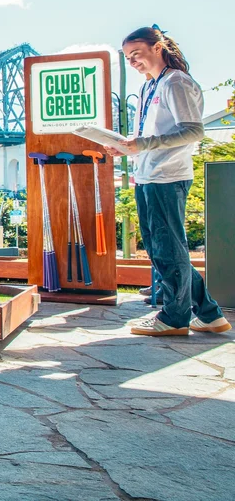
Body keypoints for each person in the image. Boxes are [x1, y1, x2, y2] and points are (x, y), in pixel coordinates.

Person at [104, 26, 230, 336]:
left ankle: (174, 318)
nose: (133, 62)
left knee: (168, 249)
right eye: (128, 58)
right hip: (147, 175)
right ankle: (210, 314)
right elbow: (149, 137)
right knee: (164, 248)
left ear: (158, 47)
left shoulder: (176, 82)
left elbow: (193, 131)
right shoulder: (150, 86)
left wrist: (142, 145)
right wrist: (125, 146)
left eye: (137, 54)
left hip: (168, 177)